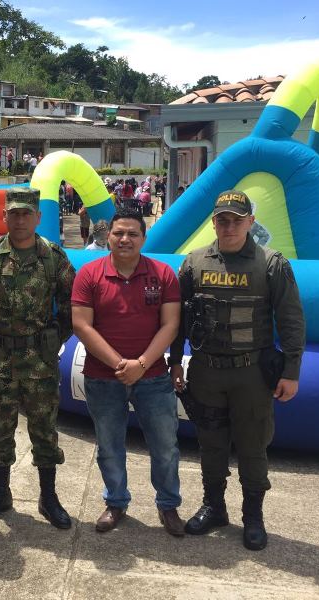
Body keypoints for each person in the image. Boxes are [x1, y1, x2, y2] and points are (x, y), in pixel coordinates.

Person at [169, 190, 305, 551]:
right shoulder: (194, 263)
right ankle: (214, 507)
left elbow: (291, 319)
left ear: (250, 222)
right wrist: (173, 362)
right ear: (214, 222)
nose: (229, 226)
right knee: (210, 444)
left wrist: (291, 371)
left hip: (251, 376)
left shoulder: (271, 263)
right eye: (222, 219)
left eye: (236, 219)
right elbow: (178, 320)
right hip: (206, 372)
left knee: (252, 447)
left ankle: (253, 516)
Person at [0, 187, 76, 529]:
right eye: (15, 213)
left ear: (37, 218)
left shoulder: (53, 256)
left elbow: (73, 306)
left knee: (44, 428)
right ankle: (1, 493)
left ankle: (48, 497)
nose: (21, 219)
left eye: (27, 213)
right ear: (5, 217)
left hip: (39, 359)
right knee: (0, 428)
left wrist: (54, 341)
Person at [72, 209, 184, 535]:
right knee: (109, 446)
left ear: (143, 239)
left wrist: (142, 364)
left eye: (133, 234)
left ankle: (168, 506)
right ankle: (116, 502)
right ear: (108, 236)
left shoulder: (163, 274)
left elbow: (171, 324)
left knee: (165, 446)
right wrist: (120, 365)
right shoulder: (90, 274)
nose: (125, 239)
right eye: (119, 233)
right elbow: (81, 325)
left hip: (153, 377)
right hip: (102, 377)